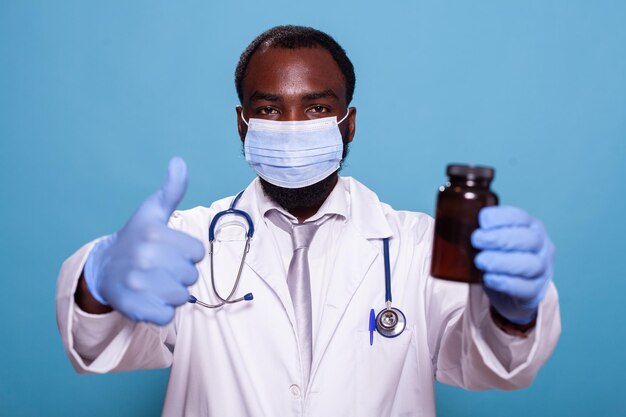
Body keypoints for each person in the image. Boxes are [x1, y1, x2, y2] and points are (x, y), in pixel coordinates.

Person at [56, 25, 561, 417]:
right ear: (242, 124)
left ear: (349, 123)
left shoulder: (416, 246)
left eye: (317, 107)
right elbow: (99, 347)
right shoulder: (187, 242)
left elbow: (488, 365)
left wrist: (512, 315)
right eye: (270, 110)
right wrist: (96, 284)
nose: (294, 128)